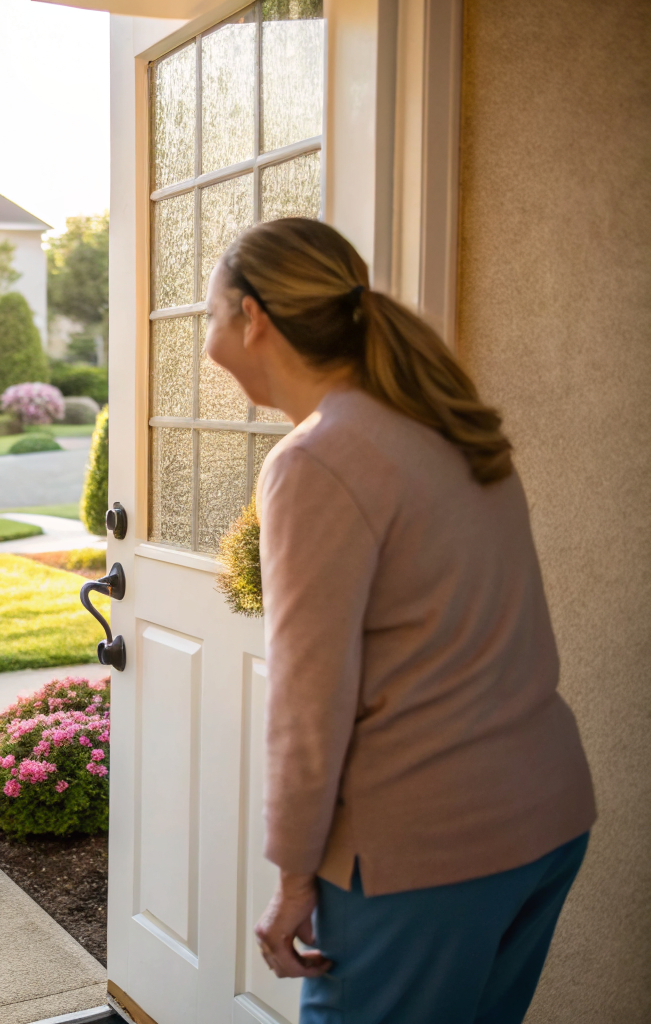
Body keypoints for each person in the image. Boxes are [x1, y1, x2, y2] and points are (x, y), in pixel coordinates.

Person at [203, 218, 595, 1024]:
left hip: (424, 856)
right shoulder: (446, 427)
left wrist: (291, 876)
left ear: (252, 319)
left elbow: (307, 705)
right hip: (545, 818)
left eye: (208, 315)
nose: (207, 338)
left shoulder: (316, 458)